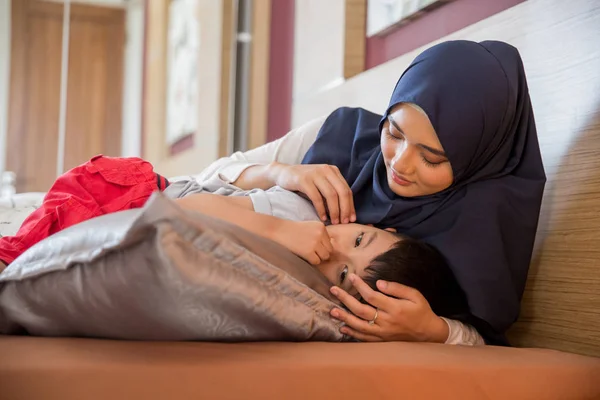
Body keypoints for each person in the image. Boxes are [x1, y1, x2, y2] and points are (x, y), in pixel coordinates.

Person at [194, 40, 546, 345]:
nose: (400, 164)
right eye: (394, 134)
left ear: (477, 157)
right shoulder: (345, 136)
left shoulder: (481, 224)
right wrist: (280, 172)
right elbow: (205, 177)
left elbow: (485, 341)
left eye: (432, 157)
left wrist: (434, 331)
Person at [0, 155, 483, 345]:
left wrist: (436, 331)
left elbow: (476, 344)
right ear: (380, 225)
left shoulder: (288, 271)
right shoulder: (319, 199)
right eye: (358, 239)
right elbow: (199, 190)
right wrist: (279, 179)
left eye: (340, 274)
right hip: (136, 189)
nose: (330, 249)